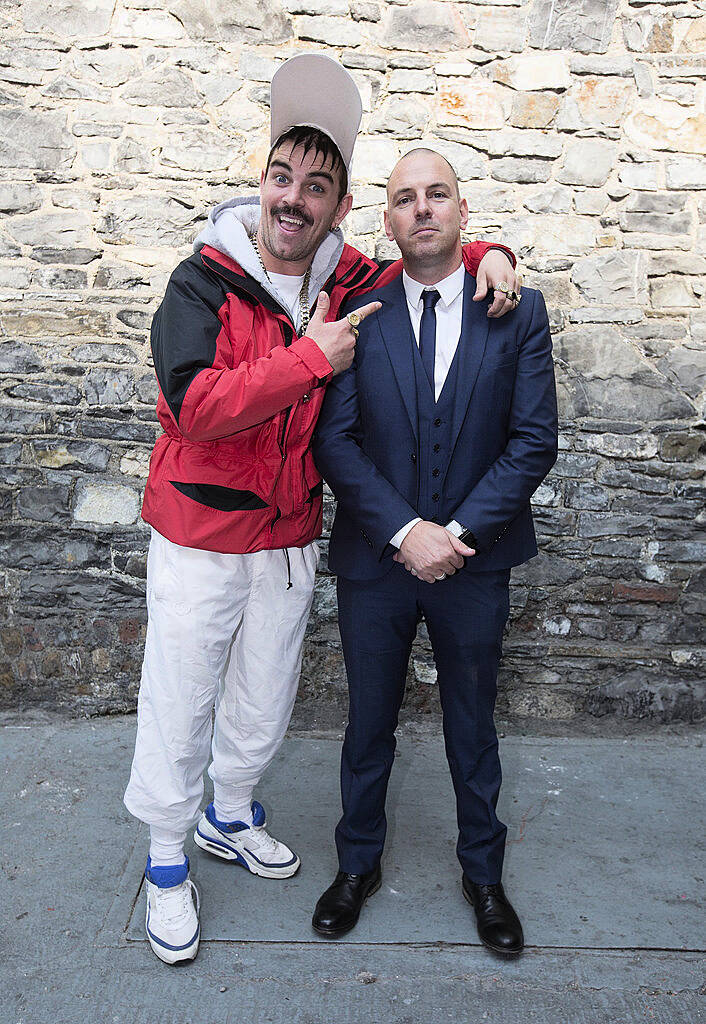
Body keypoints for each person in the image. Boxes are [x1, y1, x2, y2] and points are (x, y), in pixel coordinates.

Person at [123, 54, 520, 965]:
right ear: (260, 185)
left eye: (318, 185)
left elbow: (430, 253)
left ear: (341, 209)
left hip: (290, 538)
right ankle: (164, 862)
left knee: (262, 701)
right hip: (201, 533)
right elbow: (197, 405)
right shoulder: (202, 282)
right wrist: (312, 360)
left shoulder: (347, 286)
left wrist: (490, 250)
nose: (294, 199)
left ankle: (228, 816)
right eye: (281, 178)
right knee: (181, 700)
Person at [311, 147, 558, 955]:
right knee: (367, 724)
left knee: (472, 724)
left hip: (474, 565)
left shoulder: (518, 311)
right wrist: (404, 531)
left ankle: (483, 876)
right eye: (405, 198)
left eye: (437, 195)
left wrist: (453, 535)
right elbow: (336, 441)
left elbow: (532, 443)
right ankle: (357, 866)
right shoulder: (360, 312)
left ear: (462, 213)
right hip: (374, 565)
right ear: (387, 221)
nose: (422, 209)